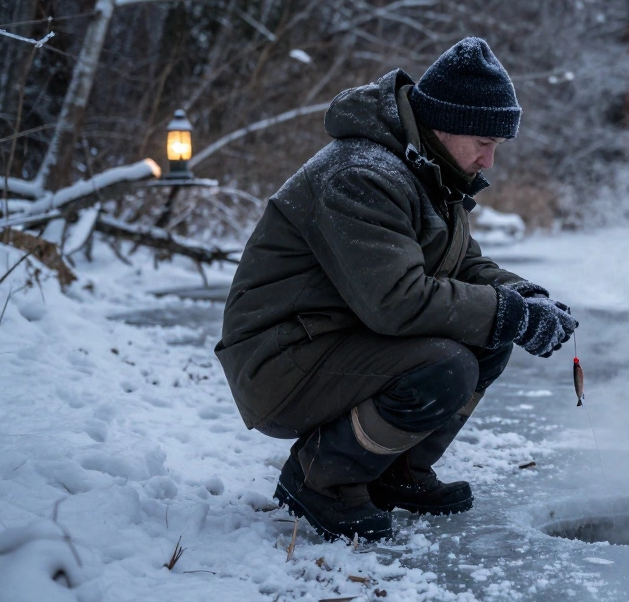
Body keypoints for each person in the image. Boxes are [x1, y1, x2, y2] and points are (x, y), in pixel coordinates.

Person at [215, 38, 577, 542]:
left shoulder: (427, 172)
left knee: (488, 335)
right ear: (444, 124)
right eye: (484, 143)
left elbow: (463, 266)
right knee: (447, 364)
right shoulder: (362, 175)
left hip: (335, 342)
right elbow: (396, 302)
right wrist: (507, 312)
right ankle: (322, 477)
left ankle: (393, 470)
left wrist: (525, 297)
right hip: (280, 364)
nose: (489, 161)